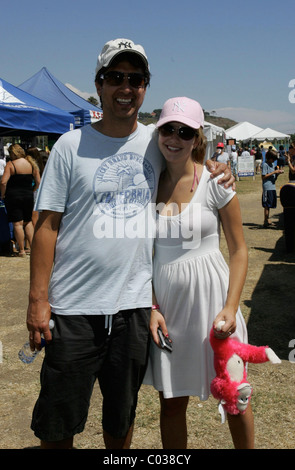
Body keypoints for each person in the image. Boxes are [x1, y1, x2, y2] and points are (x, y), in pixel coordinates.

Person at [26, 38, 234, 450]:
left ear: (145, 87)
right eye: (116, 77)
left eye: (136, 79)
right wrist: (37, 300)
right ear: (100, 84)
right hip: (73, 309)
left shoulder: (156, 142)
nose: (126, 87)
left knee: (121, 420)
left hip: (133, 311)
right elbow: (46, 225)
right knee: (59, 422)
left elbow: (189, 158)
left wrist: (215, 167)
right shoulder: (69, 146)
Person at [144, 96, 254, 449]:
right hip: (168, 312)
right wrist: (151, 306)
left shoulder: (215, 181)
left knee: (235, 396)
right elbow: (141, 255)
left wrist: (231, 306)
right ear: (158, 131)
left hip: (214, 304)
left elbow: (238, 250)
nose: (175, 138)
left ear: (197, 138)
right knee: (171, 402)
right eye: (168, 129)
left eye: (185, 131)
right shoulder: (147, 183)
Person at [0, 144, 40, 256]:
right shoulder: (31, 163)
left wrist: (3, 195)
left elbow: (3, 182)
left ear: (13, 153)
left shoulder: (11, 164)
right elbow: (38, 182)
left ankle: (21, 250)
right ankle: (32, 248)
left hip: (13, 196)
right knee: (28, 222)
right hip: (28, 196)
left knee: (17, 224)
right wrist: (32, 190)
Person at [261, 149, 283, 227]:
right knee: (267, 204)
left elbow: (273, 178)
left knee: (270, 204)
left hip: (272, 186)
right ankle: (265, 220)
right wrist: (274, 172)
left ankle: (268, 220)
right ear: (269, 157)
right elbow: (263, 177)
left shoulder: (272, 165)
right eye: (273, 159)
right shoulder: (265, 165)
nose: (273, 161)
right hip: (267, 187)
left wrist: (278, 173)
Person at [26, 147, 45, 227]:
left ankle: (34, 233)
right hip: (41, 190)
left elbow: (38, 182)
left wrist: (33, 189)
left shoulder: (32, 165)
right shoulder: (41, 163)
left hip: (35, 190)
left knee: (34, 215)